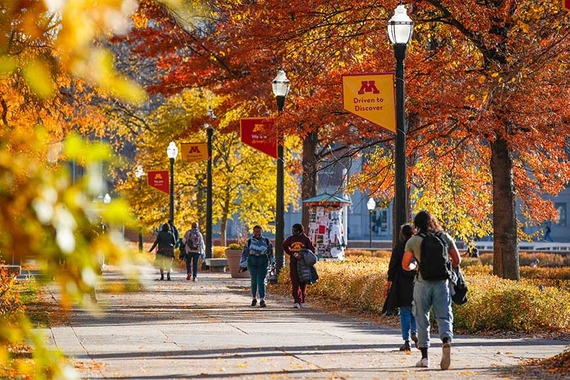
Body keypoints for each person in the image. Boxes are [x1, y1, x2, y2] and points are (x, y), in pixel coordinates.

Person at [402, 211, 461, 370]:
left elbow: (405, 265)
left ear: (417, 224)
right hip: (442, 283)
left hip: (422, 282)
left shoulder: (413, 241)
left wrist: (415, 265)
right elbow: (457, 260)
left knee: (422, 318)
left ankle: (425, 358)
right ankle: (446, 341)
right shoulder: (444, 237)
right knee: (444, 315)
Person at [384, 223, 418, 352]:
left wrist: (389, 282)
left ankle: (406, 340)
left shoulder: (398, 247)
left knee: (404, 311)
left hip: (401, 282)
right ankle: (415, 332)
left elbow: (392, 266)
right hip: (416, 281)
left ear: (402, 234)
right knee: (416, 310)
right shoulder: (418, 246)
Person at [282, 223, 316, 308]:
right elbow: (284, 245)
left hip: (303, 264)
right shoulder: (290, 239)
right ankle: (296, 300)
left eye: (295, 231)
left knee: (303, 282)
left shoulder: (305, 239)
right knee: (295, 282)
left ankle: (302, 298)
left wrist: (303, 254)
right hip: (294, 263)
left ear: (300, 231)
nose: (293, 232)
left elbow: (312, 250)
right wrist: (291, 253)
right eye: (292, 230)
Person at [239, 225, 274, 307]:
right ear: (253, 232)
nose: (257, 233)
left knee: (261, 280)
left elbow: (271, 254)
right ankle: (254, 297)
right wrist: (242, 265)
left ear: (261, 231)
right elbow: (244, 254)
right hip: (252, 262)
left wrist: (272, 265)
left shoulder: (266, 241)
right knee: (254, 280)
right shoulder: (249, 242)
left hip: (263, 262)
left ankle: (262, 299)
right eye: (255, 231)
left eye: (258, 231)